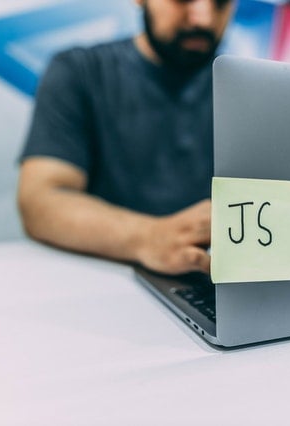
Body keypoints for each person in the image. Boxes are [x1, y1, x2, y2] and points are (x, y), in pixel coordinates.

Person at [17, 0, 235, 275]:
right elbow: (41, 200)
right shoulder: (80, 70)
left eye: (221, 3)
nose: (203, 18)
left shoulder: (250, 88)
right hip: (107, 281)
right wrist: (149, 237)